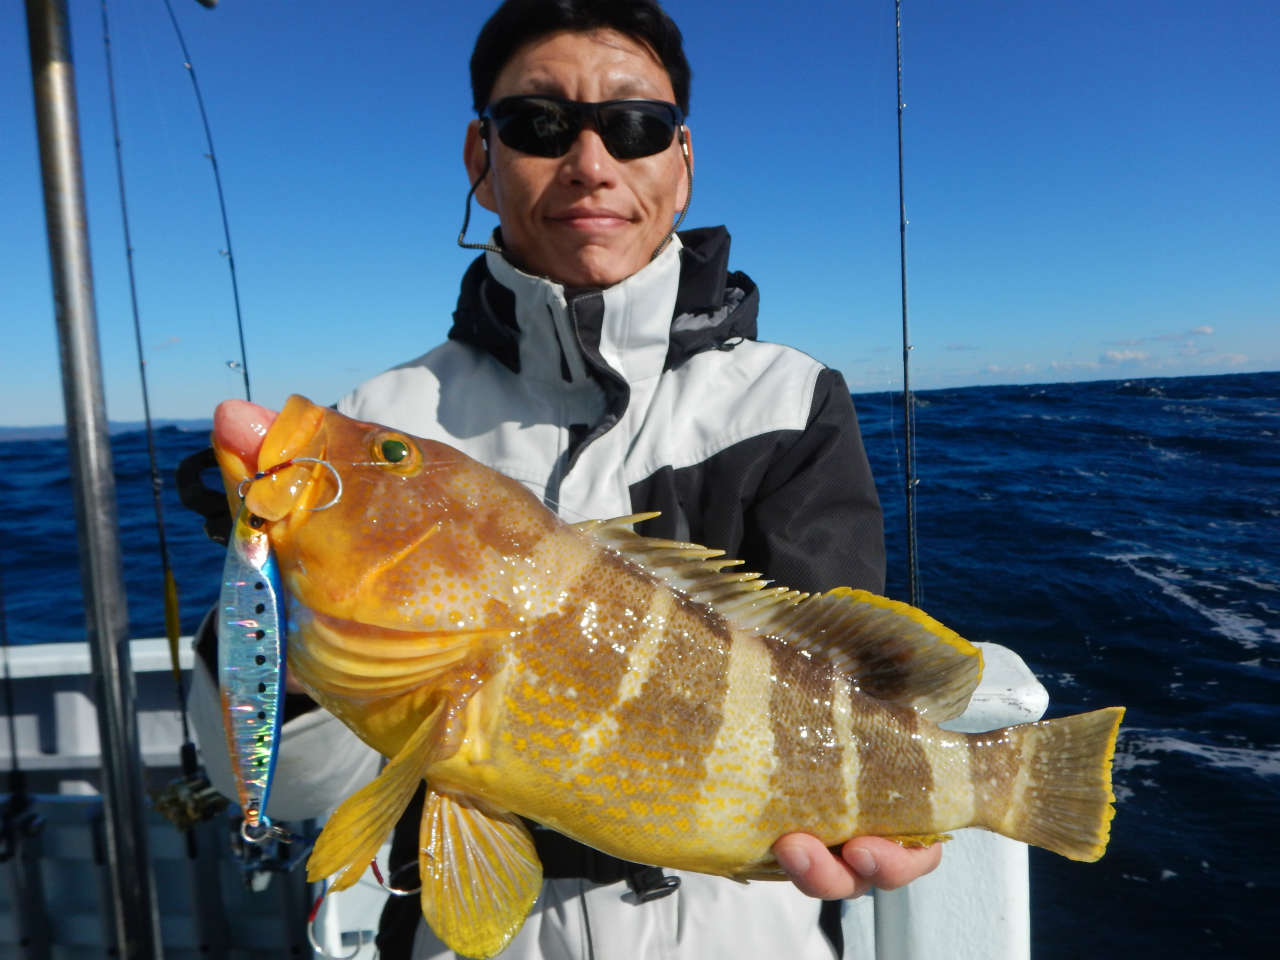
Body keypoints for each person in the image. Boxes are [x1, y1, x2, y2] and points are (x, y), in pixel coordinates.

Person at [188, 1, 941, 956]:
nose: (591, 164)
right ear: (480, 159)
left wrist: (893, 806)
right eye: (539, 125)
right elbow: (281, 786)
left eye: (636, 127)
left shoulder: (788, 401)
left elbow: (838, 679)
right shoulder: (389, 414)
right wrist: (266, 600)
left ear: (682, 160)